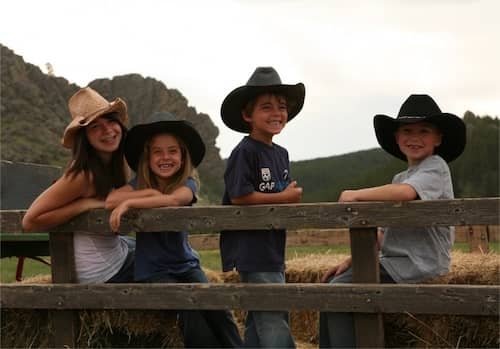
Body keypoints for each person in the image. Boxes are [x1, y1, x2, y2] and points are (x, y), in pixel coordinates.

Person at [319, 94, 467, 348]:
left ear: (438, 138)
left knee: (338, 293)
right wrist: (351, 261)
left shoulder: (435, 167)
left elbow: (406, 193)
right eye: (407, 131)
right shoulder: (401, 176)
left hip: (420, 263)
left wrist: (355, 194)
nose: (414, 137)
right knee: (330, 290)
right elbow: (383, 234)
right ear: (397, 138)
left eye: (424, 131)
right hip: (395, 263)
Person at [105, 111, 242, 348]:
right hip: (154, 270)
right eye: (157, 152)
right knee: (191, 312)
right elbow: (110, 200)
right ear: (147, 158)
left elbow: (176, 200)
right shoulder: (139, 183)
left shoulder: (187, 183)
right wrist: (141, 195)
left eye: (172, 151)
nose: (165, 157)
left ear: (182, 156)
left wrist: (130, 202)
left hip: (185, 264)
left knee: (218, 308)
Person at [219, 66, 306, 348]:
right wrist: (285, 198)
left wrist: (285, 198)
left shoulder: (280, 154)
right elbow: (239, 196)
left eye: (281, 107)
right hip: (251, 249)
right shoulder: (244, 152)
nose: (276, 113)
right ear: (248, 115)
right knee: (272, 315)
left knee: (260, 318)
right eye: (266, 107)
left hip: (273, 246)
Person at [22, 87, 135, 284]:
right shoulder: (83, 175)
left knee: (154, 248)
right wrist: (84, 205)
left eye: (110, 121)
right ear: (85, 137)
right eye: (95, 127)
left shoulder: (116, 166)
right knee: (169, 259)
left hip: (109, 254)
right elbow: (30, 220)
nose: (107, 130)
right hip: (102, 271)